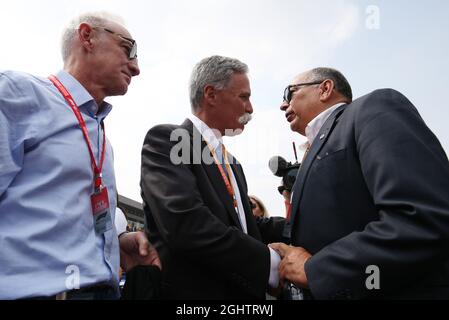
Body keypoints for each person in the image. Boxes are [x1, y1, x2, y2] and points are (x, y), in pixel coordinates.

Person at [0, 11, 160, 300]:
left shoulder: (102, 138)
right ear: (86, 36)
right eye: (129, 48)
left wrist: (114, 243)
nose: (136, 67)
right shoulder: (17, 94)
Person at [271, 67, 449, 299]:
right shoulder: (313, 150)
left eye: (289, 93)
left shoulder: (372, 109)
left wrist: (317, 270)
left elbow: (421, 217)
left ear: (325, 89)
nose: (283, 105)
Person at [140, 55, 285, 299]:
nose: (250, 108)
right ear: (211, 94)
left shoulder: (233, 164)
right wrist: (270, 263)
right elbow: (186, 224)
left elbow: (244, 225)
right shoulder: (171, 139)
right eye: (244, 97)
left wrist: (302, 223)